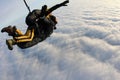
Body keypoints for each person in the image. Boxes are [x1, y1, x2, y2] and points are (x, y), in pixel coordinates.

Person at [1, 0, 69, 50]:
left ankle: (12, 31)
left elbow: (51, 10)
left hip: (34, 26)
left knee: (23, 43)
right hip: (36, 32)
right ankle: (13, 40)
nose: (57, 21)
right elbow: (48, 15)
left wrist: (60, 5)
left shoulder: (48, 20)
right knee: (26, 41)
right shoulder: (50, 23)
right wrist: (42, 15)